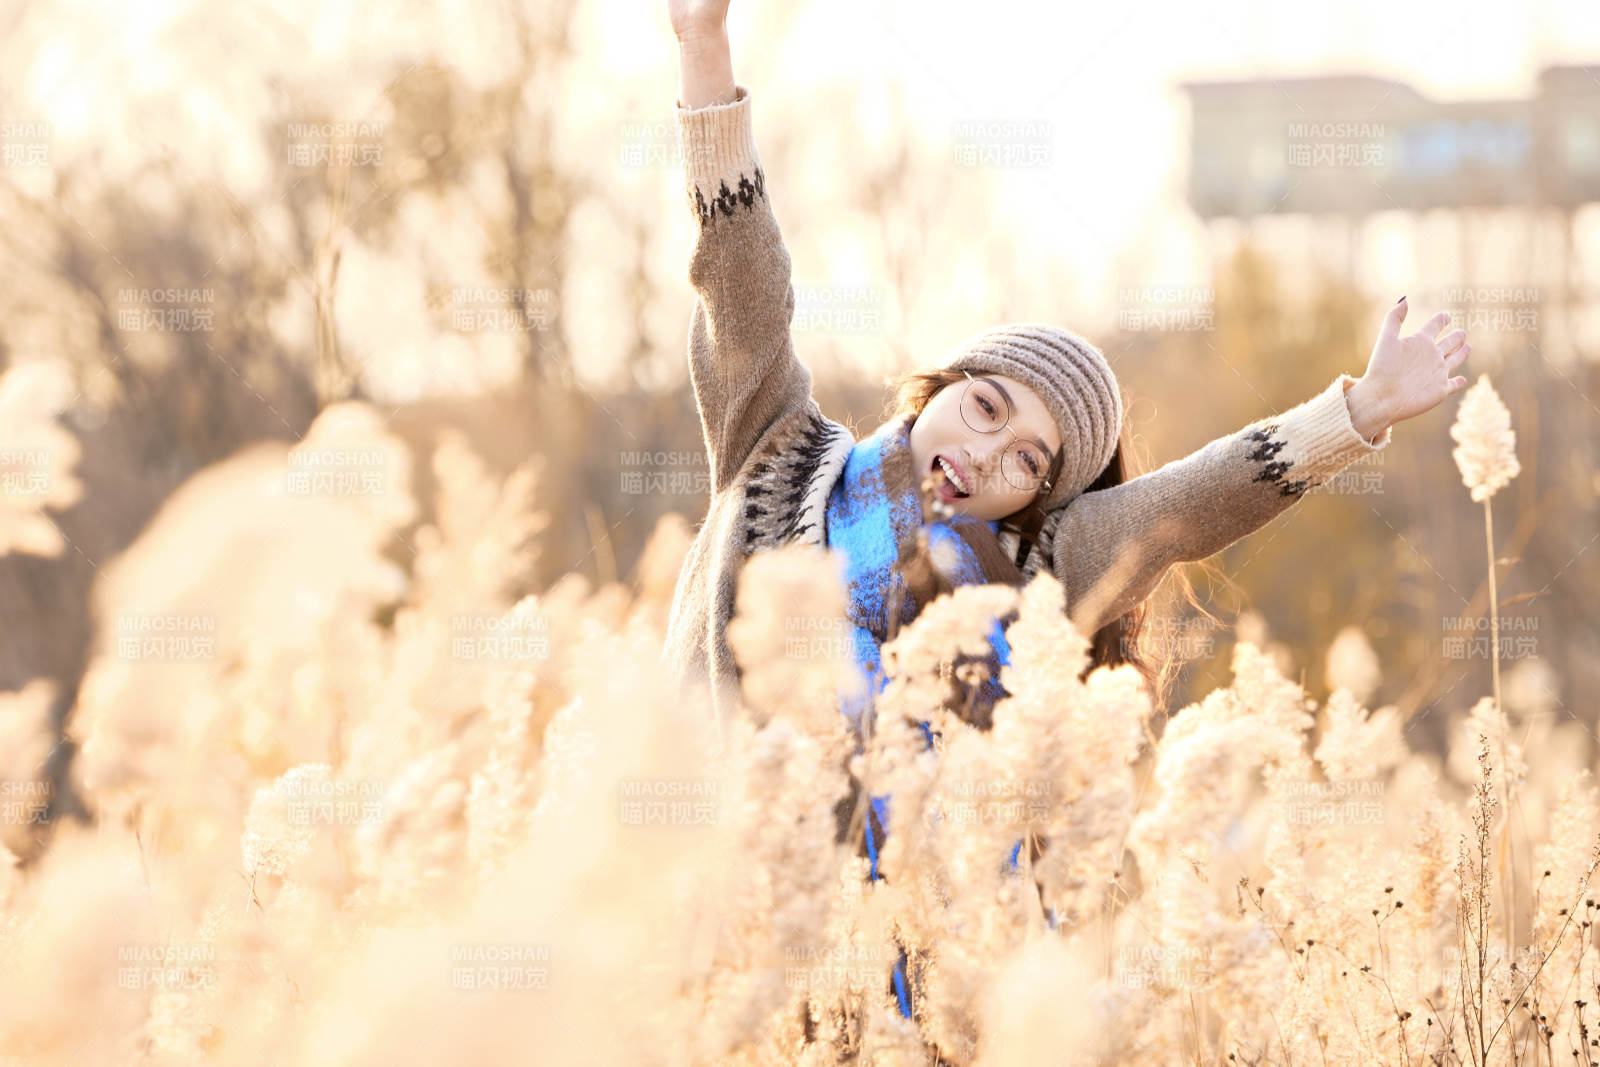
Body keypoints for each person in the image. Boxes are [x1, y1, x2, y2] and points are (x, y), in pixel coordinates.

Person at [659, 0, 1472, 1022]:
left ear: (1041, 494)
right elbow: (743, 284)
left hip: (913, 986)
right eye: (983, 406)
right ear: (938, 385)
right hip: (725, 940)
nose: (982, 455)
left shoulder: (1034, 566)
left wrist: (1350, 415)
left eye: (1025, 460)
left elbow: (1190, 502)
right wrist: (704, 49)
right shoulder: (775, 447)